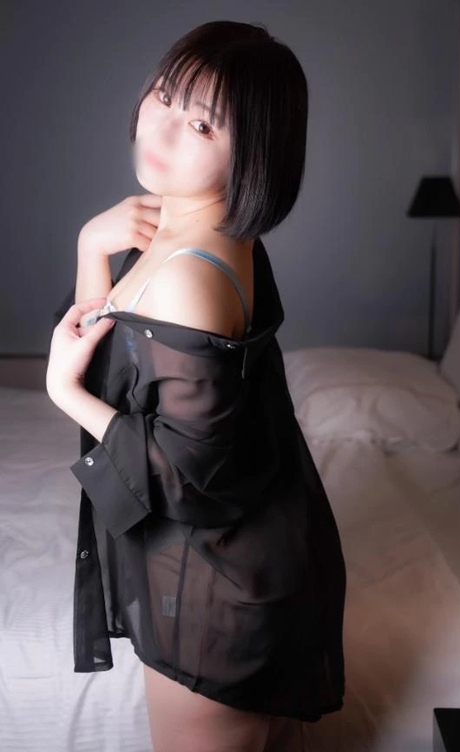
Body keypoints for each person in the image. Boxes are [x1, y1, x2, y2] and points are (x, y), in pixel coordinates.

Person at [46, 20, 346, 752]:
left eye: (202, 123)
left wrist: (64, 393)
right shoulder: (202, 233)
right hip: (233, 563)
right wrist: (92, 245)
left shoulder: (188, 277)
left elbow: (182, 478)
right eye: (164, 94)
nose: (162, 127)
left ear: (252, 153)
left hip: (217, 595)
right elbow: (109, 346)